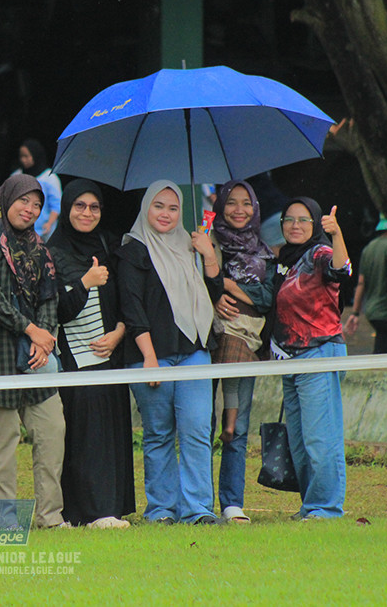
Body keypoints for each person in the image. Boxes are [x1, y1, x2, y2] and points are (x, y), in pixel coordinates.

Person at [117, 180, 221, 525]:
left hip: (194, 351)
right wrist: (148, 357)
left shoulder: (190, 246)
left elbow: (213, 294)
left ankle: (198, 510)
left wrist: (208, 254)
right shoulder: (133, 249)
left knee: (196, 430)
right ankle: (161, 509)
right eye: (158, 206)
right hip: (152, 356)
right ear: (146, 207)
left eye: (173, 208)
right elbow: (132, 307)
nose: (166, 214)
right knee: (158, 433)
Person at [0, 175, 66, 528]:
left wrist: (44, 338)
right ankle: (3, 522)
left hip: (35, 355)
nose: (30, 209)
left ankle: (50, 517)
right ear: (7, 199)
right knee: (2, 443)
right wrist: (32, 330)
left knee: (52, 432)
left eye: (37, 205)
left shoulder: (40, 247)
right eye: (24, 201)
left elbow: (50, 298)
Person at [46, 179, 134, 529]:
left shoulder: (106, 245)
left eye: (94, 207)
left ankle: (111, 507)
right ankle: (87, 511)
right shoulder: (52, 254)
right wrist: (85, 282)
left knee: (112, 431)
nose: (87, 213)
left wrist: (120, 332)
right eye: (79, 206)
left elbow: (124, 297)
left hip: (110, 353)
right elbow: (56, 311)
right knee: (84, 435)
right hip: (75, 361)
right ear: (67, 209)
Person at [266, 197, 351, 520]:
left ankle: (326, 507)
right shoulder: (283, 259)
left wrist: (337, 235)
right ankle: (310, 505)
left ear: (315, 224)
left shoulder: (320, 253)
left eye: (303, 220)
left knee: (320, 437)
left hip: (320, 352)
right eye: (289, 219)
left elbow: (341, 270)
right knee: (300, 441)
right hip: (289, 358)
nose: (295, 225)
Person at [199, 180, 274, 524]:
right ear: (220, 204)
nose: (239, 209)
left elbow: (265, 299)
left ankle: (231, 503)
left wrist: (227, 285)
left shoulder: (265, 252)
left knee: (237, 426)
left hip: (245, 339)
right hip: (202, 339)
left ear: (255, 208)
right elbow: (193, 283)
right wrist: (214, 295)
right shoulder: (205, 242)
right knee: (202, 424)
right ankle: (198, 504)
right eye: (231, 202)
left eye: (246, 203)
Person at [343, 215, 387, 353]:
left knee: (381, 345)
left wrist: (355, 312)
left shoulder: (369, 248)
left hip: (372, 311)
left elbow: (361, 283)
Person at [11, 139, 62, 240]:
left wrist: (49, 223)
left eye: (26, 156)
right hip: (20, 232)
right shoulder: (16, 176)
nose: (23, 160)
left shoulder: (49, 177)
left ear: (35, 156)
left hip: (43, 233)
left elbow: (56, 205)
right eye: (21, 156)